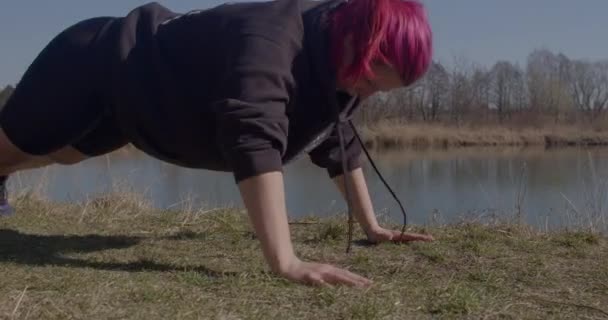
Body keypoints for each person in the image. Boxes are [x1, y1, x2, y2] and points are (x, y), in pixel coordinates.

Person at [0, 0, 434, 287]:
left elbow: (339, 146)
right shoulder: (272, 39)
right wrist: (285, 262)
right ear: (355, 40)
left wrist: (372, 228)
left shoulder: (339, 74)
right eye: (370, 80)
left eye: (381, 90)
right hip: (94, 60)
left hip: (143, 109)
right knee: (17, 147)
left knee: (59, 155)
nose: (367, 93)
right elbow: (254, 139)